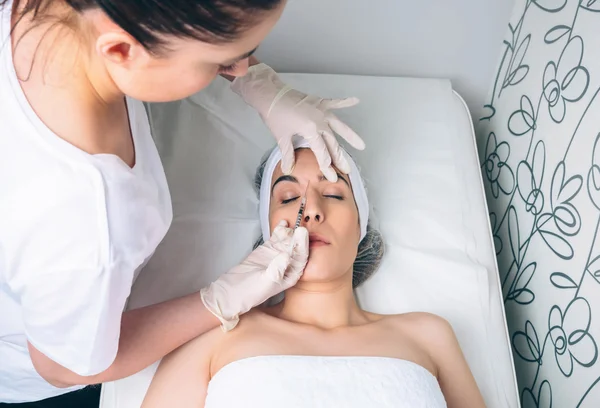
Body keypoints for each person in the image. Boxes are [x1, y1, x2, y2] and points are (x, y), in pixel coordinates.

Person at [0, 0, 366, 405]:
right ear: (122, 50)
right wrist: (218, 301)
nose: (242, 68)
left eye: (334, 192)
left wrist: (262, 84)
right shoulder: (86, 223)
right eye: (221, 62)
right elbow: (60, 365)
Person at [141, 143, 487, 408]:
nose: (312, 213)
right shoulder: (215, 333)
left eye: (334, 194)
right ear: (268, 229)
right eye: (289, 198)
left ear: (361, 227)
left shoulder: (428, 335)